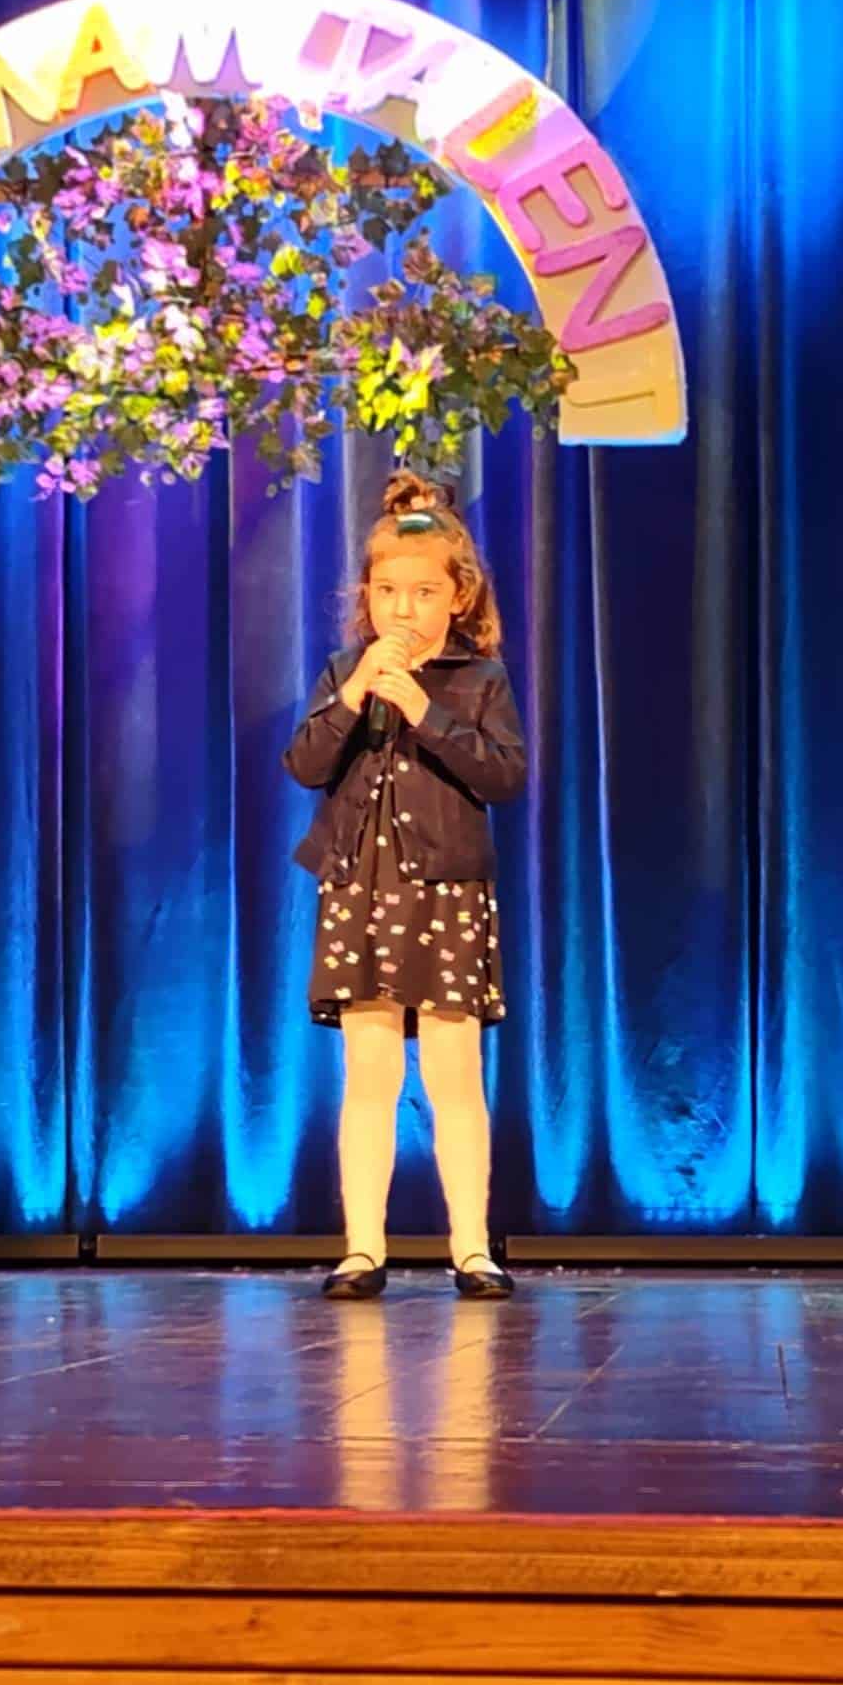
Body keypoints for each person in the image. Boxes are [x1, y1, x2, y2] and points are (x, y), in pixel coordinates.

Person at [282, 472, 527, 1301]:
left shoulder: (479, 678)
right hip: (361, 888)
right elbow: (305, 764)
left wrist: (426, 710)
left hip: (447, 893)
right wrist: (354, 696)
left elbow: (504, 775)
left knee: (454, 1075)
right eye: (388, 592)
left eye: (423, 593)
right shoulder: (343, 673)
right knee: (370, 1075)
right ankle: (363, 1249)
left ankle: (472, 1249)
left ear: (458, 597)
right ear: (368, 596)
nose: (403, 609)